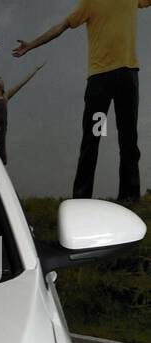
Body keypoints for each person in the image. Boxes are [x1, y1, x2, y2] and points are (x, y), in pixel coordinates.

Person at [15, 0, 151, 202]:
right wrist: (32, 45)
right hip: (100, 82)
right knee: (93, 138)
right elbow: (61, 27)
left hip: (127, 76)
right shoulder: (90, 2)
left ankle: (129, 197)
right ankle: (81, 197)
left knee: (128, 139)